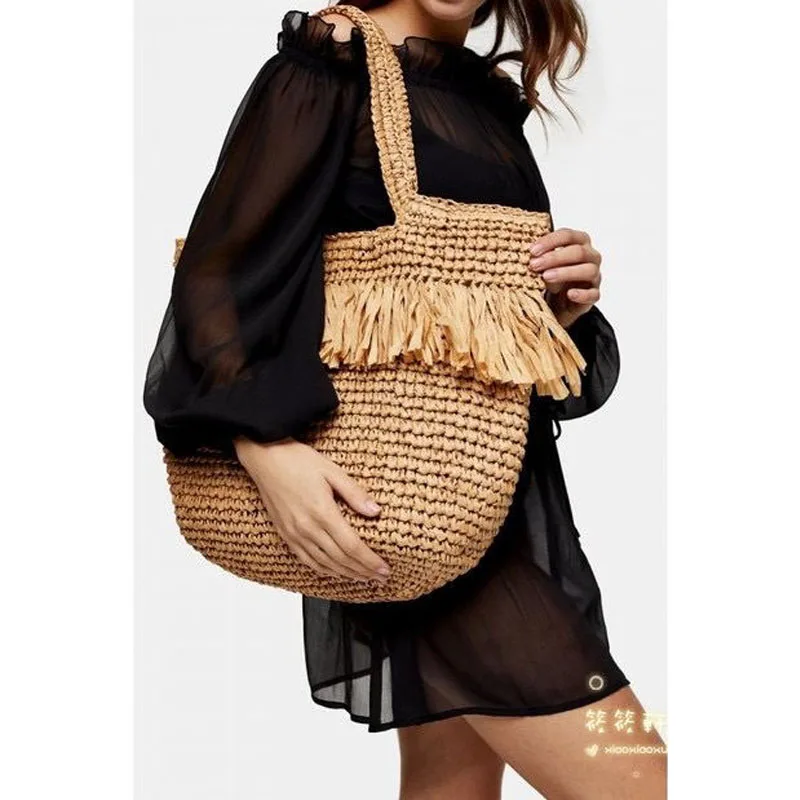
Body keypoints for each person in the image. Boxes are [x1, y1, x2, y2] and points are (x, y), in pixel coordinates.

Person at [144, 1, 667, 797]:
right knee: (638, 779)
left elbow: (446, 311)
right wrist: (266, 447)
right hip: (400, 501)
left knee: (451, 781)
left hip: (481, 487)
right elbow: (217, 275)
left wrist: (552, 312)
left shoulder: (476, 94)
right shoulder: (330, 64)